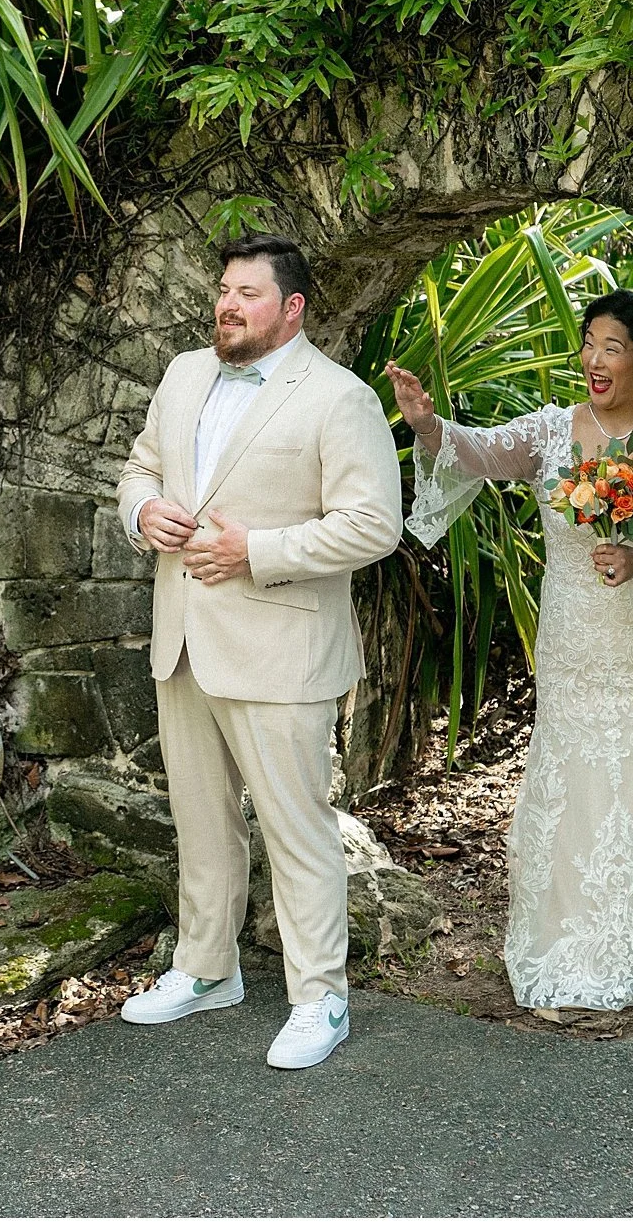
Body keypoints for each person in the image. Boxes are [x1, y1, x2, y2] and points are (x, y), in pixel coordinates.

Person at [385, 289, 633, 1011]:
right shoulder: (550, 431)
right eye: (589, 342)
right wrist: (427, 422)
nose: (594, 361)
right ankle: (573, 927)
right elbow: (478, 452)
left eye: (613, 347)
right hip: (574, 638)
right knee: (576, 760)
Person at [114, 233, 403, 1069]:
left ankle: (322, 1000)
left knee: (296, 828)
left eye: (246, 293)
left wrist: (258, 552)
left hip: (282, 649)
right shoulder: (182, 374)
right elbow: (140, 467)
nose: (227, 305)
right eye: (223, 290)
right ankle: (207, 972)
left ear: (293, 308)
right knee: (201, 823)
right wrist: (144, 514)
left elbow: (373, 526)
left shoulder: (339, 399)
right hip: (185, 642)